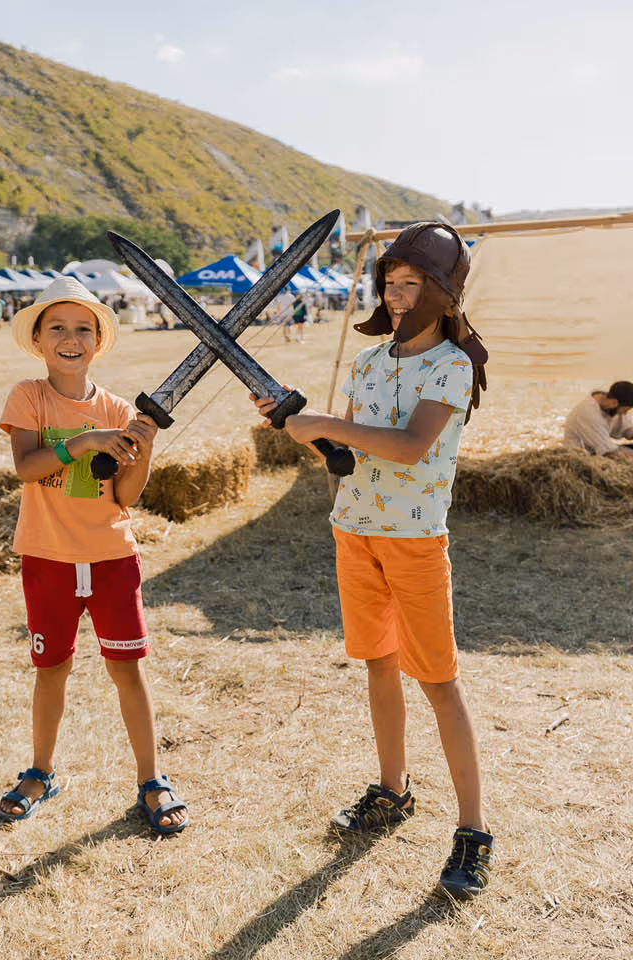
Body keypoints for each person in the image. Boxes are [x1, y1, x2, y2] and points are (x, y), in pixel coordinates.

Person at [251, 222, 493, 900]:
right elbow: (352, 456)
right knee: (378, 665)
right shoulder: (367, 362)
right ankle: (392, 789)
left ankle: (473, 831)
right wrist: (295, 420)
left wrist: (325, 422)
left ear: (443, 294)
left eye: (411, 283)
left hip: (415, 542)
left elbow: (413, 445)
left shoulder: (452, 363)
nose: (395, 294)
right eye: (390, 282)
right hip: (353, 531)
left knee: (439, 681)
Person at [0, 276, 187, 834]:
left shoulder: (119, 407)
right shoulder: (28, 396)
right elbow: (27, 468)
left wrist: (141, 452)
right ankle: (40, 772)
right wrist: (84, 441)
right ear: (38, 339)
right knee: (51, 668)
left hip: (111, 559)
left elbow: (124, 496)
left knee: (128, 669)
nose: (70, 338)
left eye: (83, 329)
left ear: (98, 341)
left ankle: (151, 780)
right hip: (47, 558)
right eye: (58, 328)